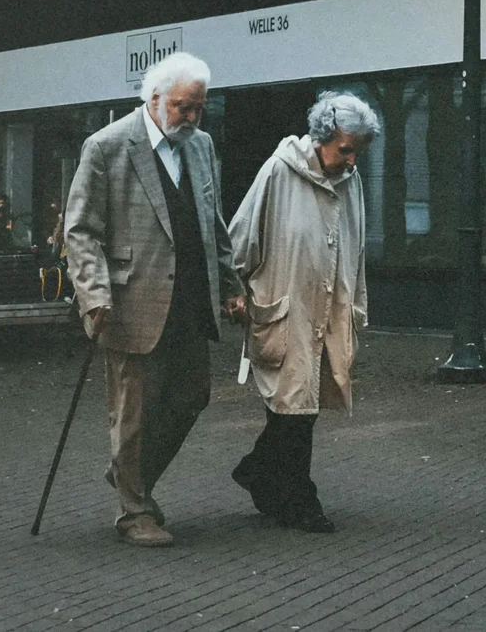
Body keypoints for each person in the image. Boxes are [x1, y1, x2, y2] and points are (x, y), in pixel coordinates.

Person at [64, 52, 245, 547]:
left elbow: (213, 221)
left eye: (198, 109)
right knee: (134, 412)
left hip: (190, 298)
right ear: (155, 98)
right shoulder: (107, 146)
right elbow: (79, 230)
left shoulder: (202, 145)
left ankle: (128, 473)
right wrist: (94, 294)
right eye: (183, 107)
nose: (191, 118)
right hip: (129, 302)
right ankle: (134, 512)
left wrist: (230, 286)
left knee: (192, 397)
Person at [228, 91, 378, 533]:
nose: (351, 161)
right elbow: (242, 233)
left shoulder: (352, 183)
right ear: (322, 137)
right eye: (345, 149)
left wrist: (358, 303)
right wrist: (233, 287)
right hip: (286, 302)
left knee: (303, 404)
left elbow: (359, 246)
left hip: (330, 307)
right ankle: (299, 499)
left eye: (358, 152)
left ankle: (259, 473)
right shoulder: (279, 171)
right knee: (294, 404)